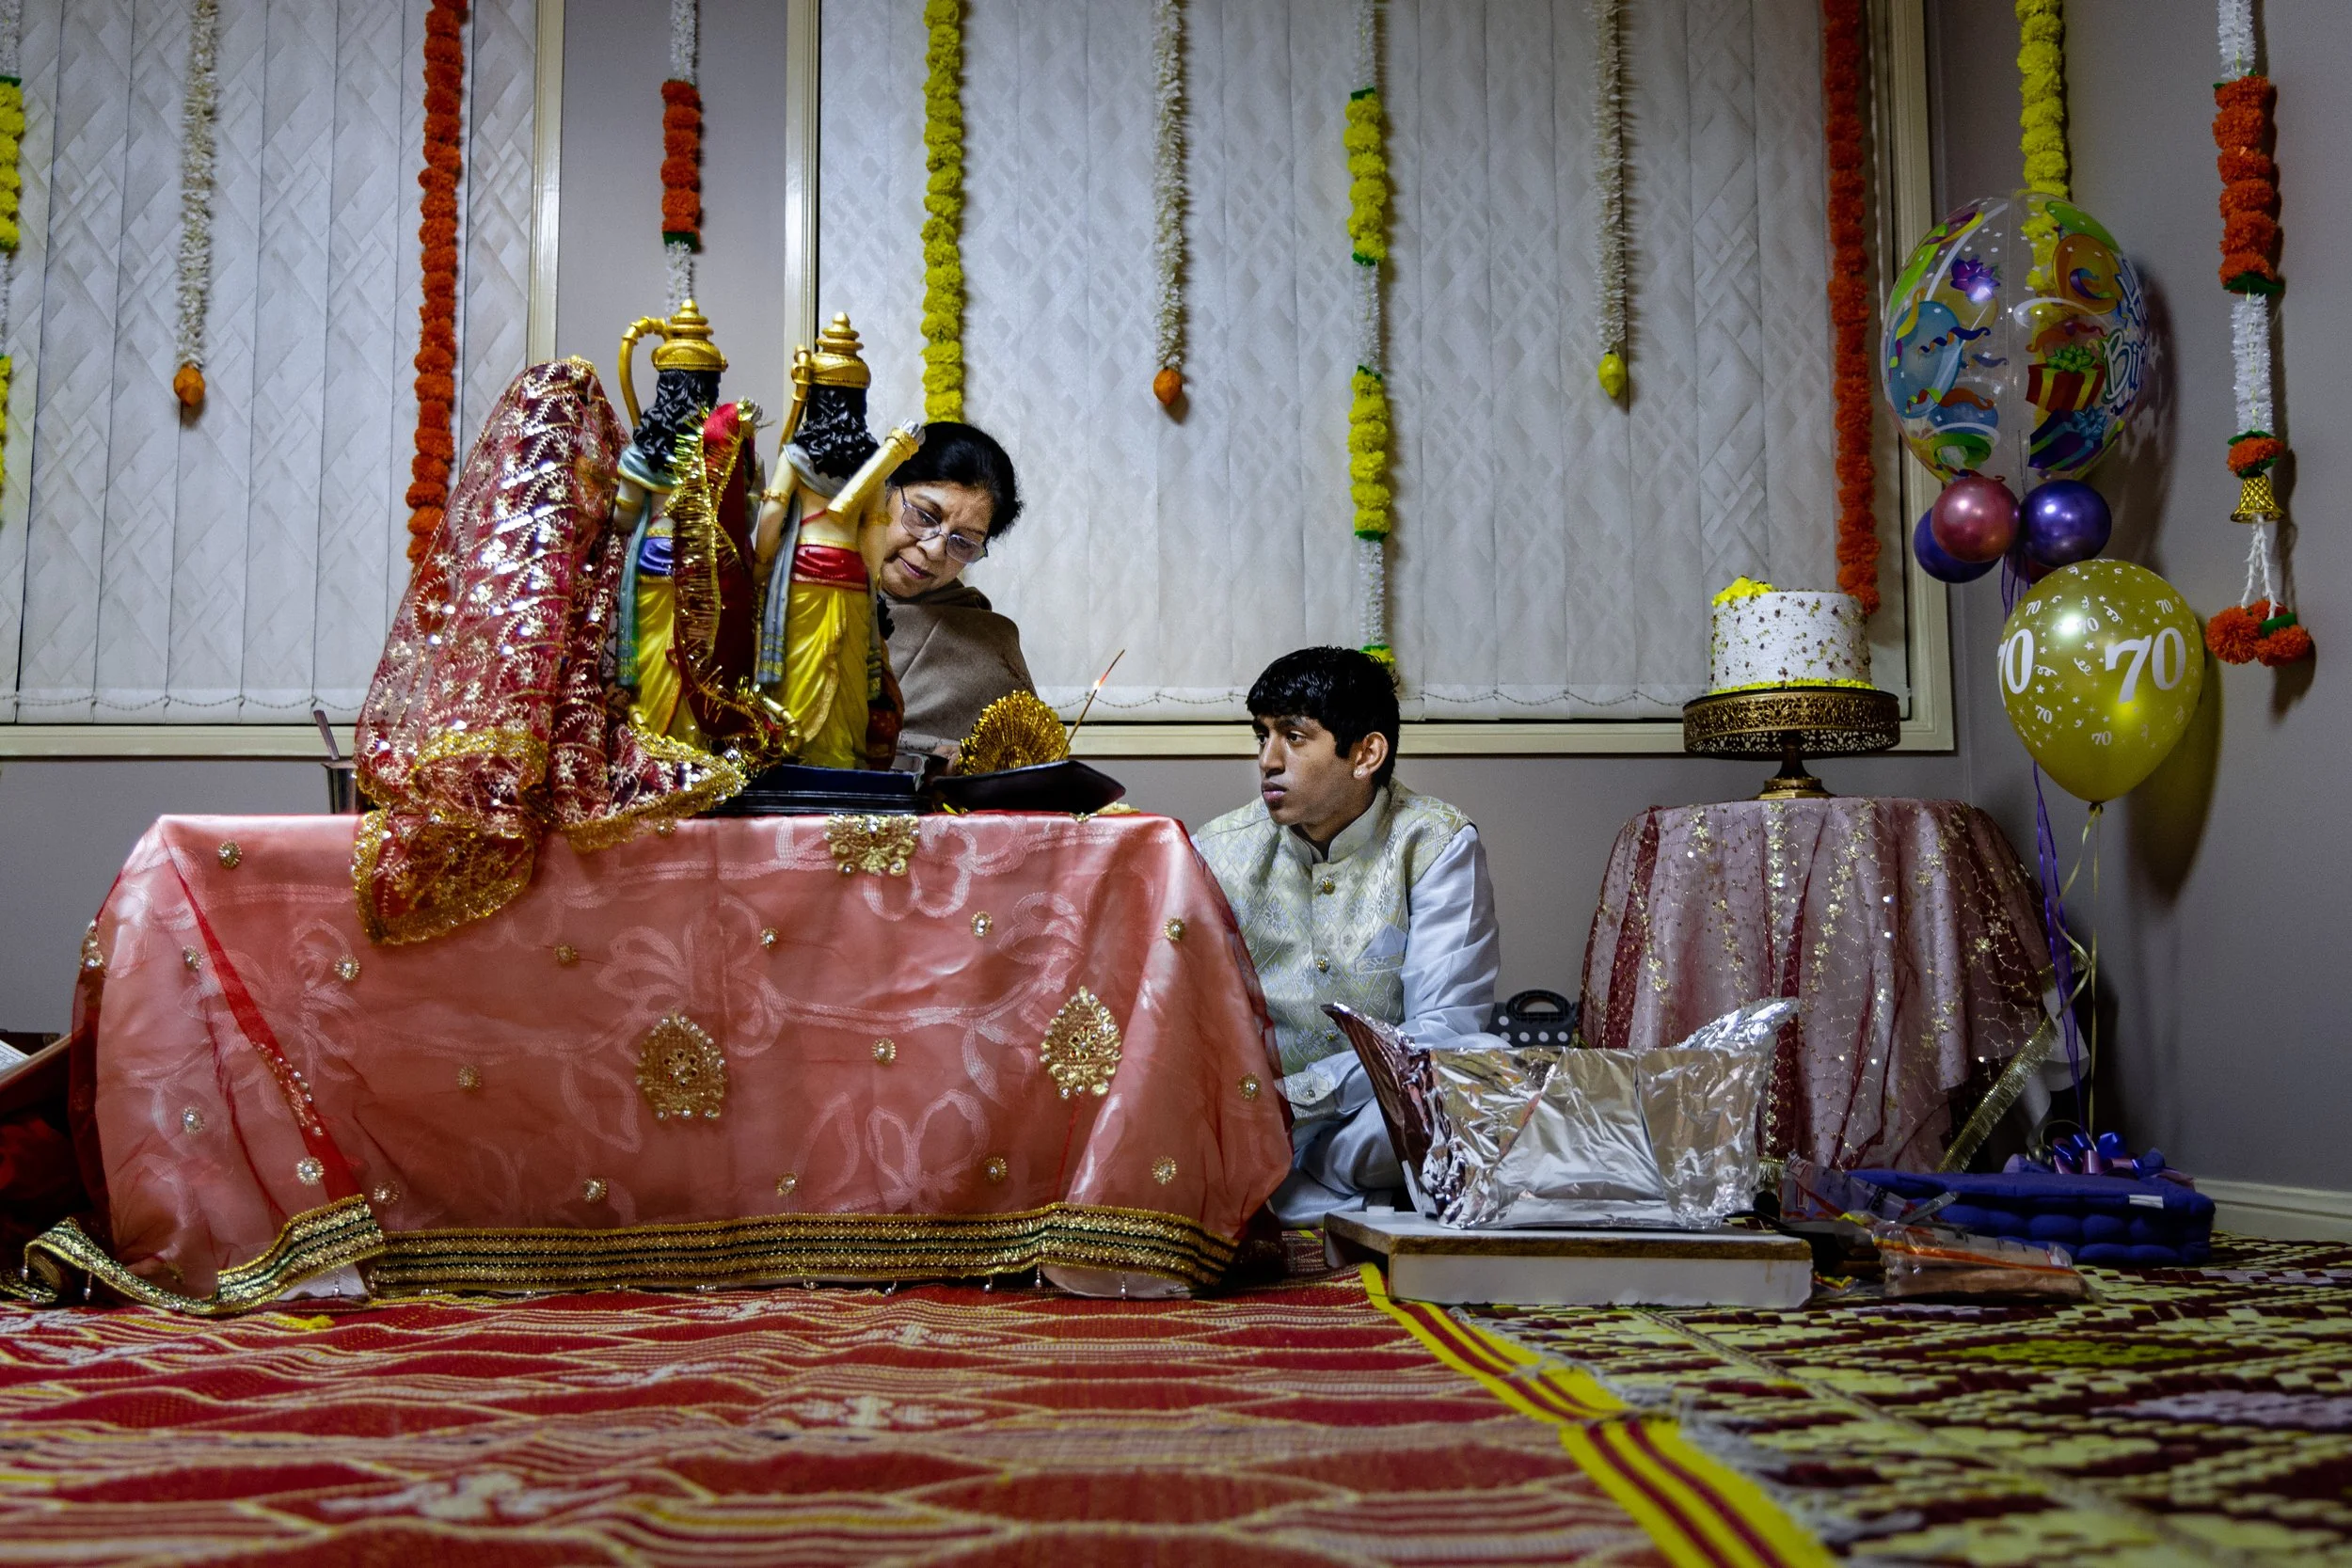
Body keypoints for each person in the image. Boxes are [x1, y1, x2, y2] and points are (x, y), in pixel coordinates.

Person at [1193, 647, 1501, 1226]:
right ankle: (1346, 1198)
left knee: (1479, 1065)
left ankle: (1306, 1194)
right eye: (1262, 736)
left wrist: (1307, 1094)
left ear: (1366, 754)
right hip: (1252, 1125)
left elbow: (1445, 1027)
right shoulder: (1219, 850)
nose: (1268, 759)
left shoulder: (1435, 843)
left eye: (1294, 736)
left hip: (1375, 1125)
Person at [872, 421, 1037, 756]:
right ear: (883, 491)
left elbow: (1016, 771)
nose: (934, 550)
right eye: (924, 515)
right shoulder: (807, 593)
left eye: (963, 543)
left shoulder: (988, 648)